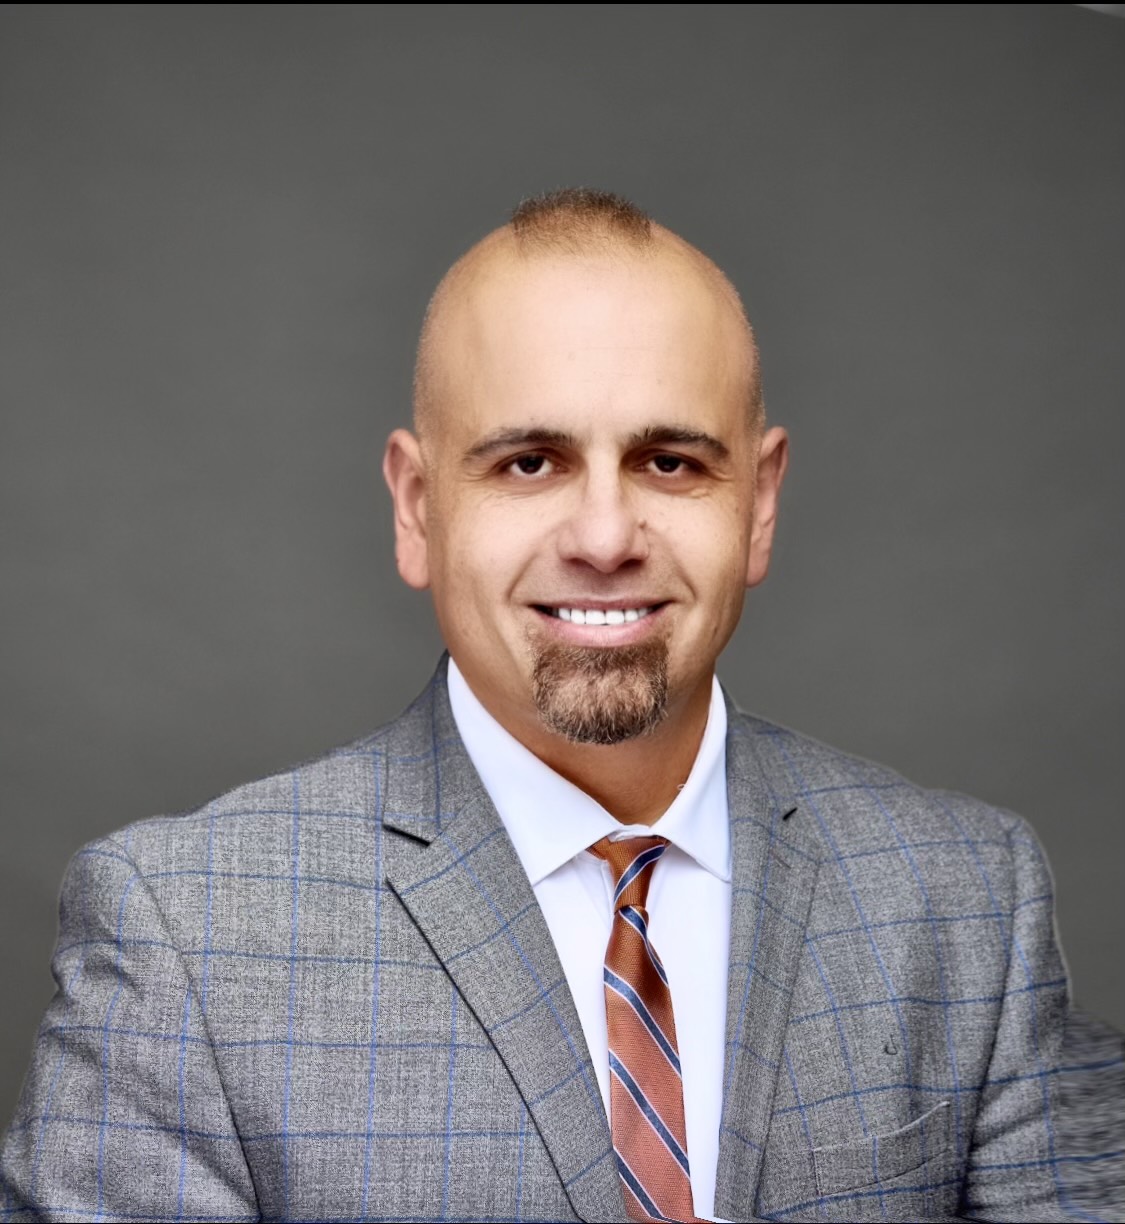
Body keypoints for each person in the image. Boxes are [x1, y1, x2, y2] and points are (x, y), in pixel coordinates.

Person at [1, 189, 1120, 1223]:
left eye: (670, 463)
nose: (603, 536)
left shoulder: (968, 904)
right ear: (417, 507)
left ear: (760, 503)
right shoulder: (186, 938)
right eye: (529, 464)